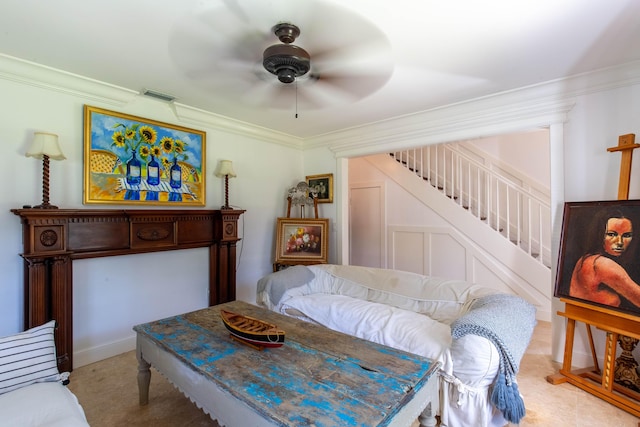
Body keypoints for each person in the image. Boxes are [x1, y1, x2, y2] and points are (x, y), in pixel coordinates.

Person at [569, 211, 640, 308]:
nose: (620, 242)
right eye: (612, 234)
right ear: (600, 234)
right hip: (599, 319)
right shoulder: (602, 264)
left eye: (626, 236)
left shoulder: (585, 259)